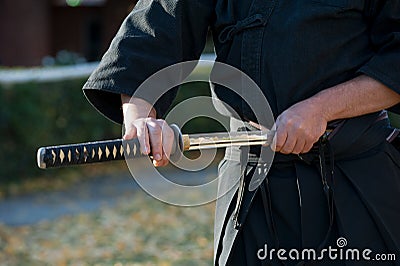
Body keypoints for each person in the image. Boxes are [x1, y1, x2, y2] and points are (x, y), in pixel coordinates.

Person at [83, 0, 400, 265]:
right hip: (252, 186)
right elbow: (150, 34)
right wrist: (141, 118)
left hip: (355, 179)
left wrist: (322, 109)